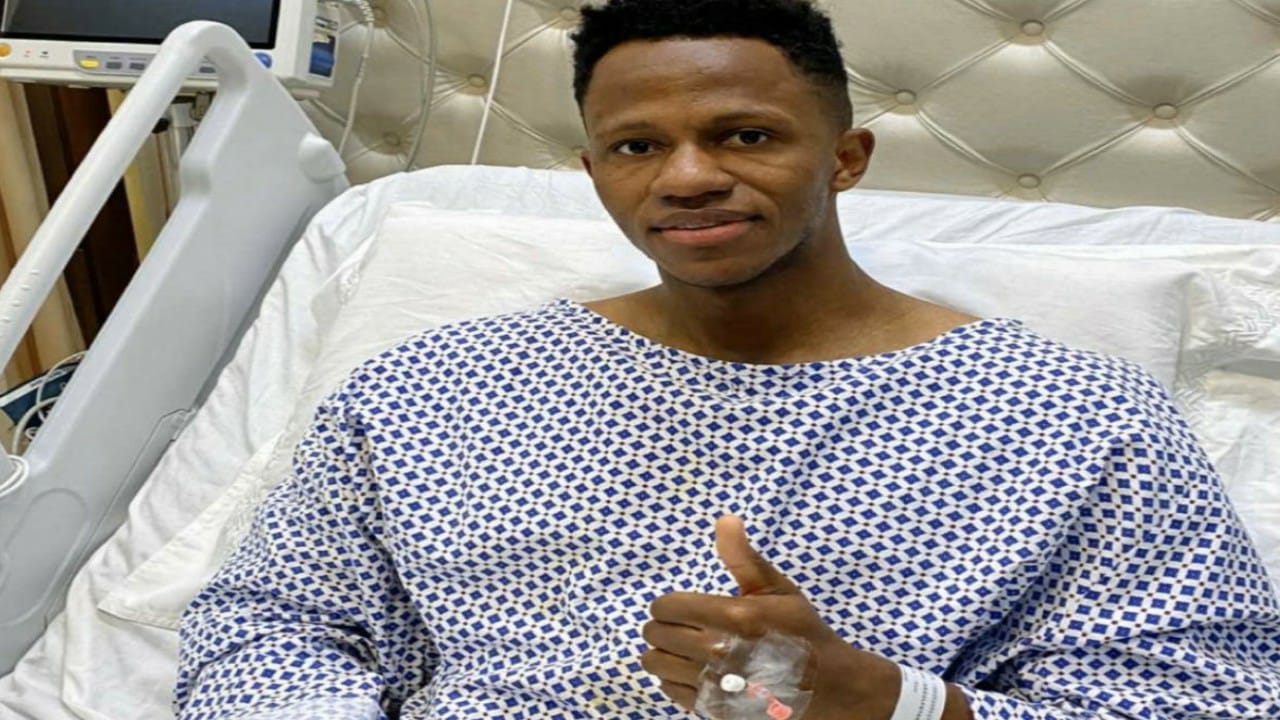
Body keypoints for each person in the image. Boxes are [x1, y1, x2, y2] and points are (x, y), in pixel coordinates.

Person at [175, 0, 1280, 718]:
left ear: (845, 156)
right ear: (595, 172)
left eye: (744, 135)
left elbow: (1210, 701)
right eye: (637, 146)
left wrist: (887, 702)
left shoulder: (1074, 420)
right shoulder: (432, 391)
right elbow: (266, 623)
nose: (687, 176)